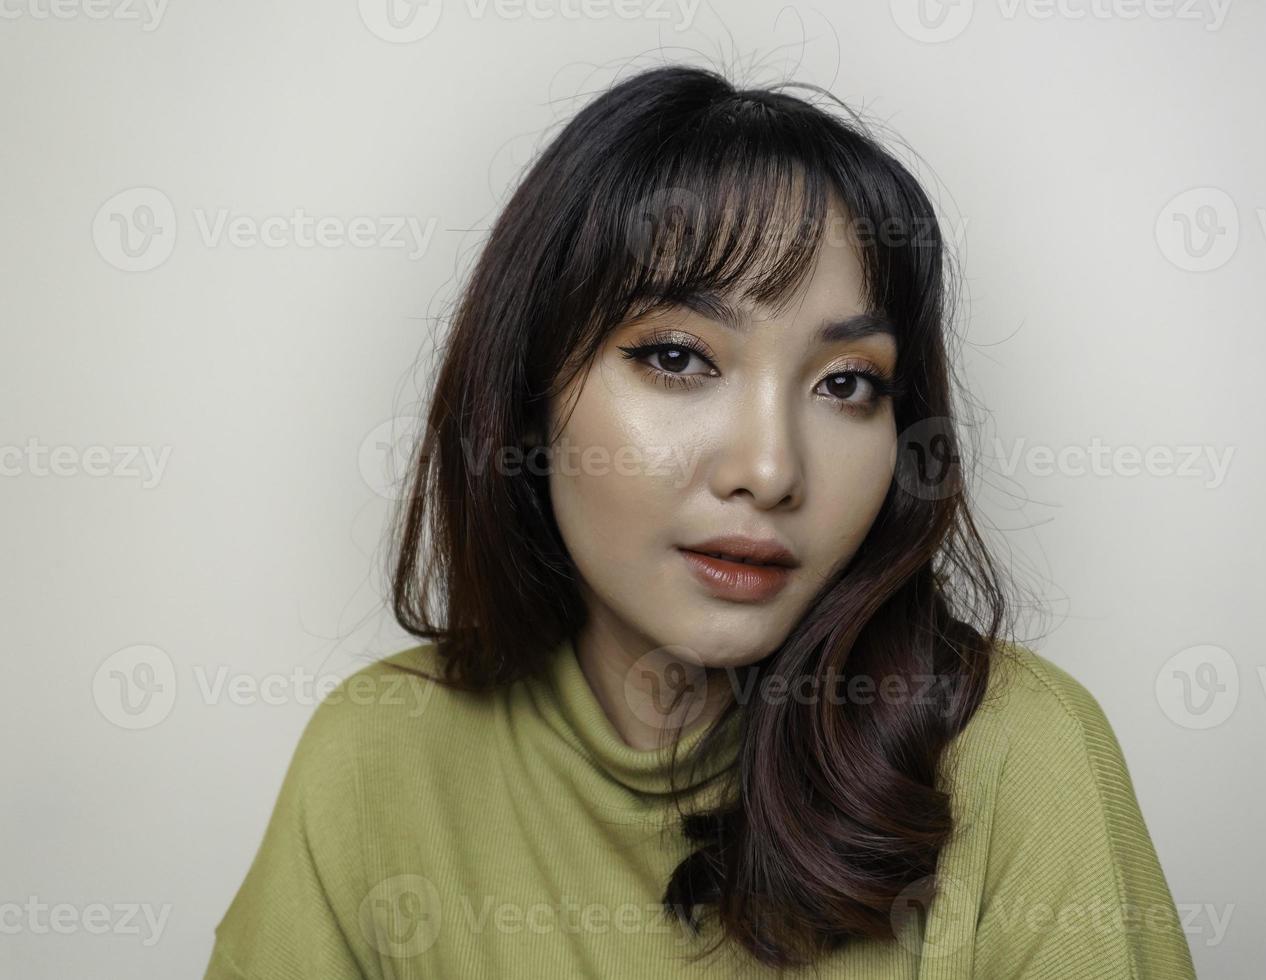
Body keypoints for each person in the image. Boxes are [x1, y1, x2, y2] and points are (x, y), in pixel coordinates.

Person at [203, 63, 1197, 979]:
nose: (768, 469)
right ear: (531, 391)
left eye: (847, 382)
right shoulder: (383, 757)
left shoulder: (1017, 756)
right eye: (678, 357)